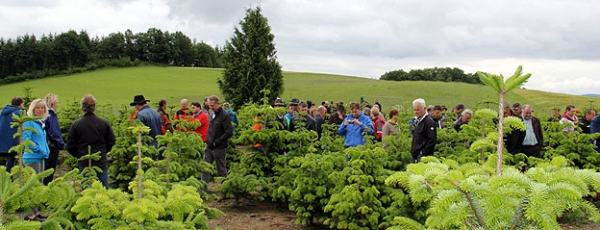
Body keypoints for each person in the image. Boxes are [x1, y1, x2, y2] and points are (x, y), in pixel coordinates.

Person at [66, 94, 116, 189]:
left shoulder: (76, 125)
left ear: (82, 108)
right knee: (103, 187)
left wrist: (80, 155)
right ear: (94, 107)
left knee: (86, 187)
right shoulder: (103, 123)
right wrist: (104, 151)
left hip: (84, 161)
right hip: (100, 160)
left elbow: (70, 146)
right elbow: (111, 140)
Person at [202, 95, 233, 186]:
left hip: (219, 147)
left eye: (212, 106)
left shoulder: (224, 115)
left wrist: (217, 142)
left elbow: (228, 132)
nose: (211, 107)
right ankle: (202, 191)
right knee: (205, 168)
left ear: (218, 104)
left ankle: (225, 189)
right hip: (209, 146)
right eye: (209, 105)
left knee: (221, 170)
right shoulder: (211, 114)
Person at [22, 99, 50, 174]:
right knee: (35, 183)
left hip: (40, 156)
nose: (40, 110)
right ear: (33, 109)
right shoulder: (29, 122)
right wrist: (38, 149)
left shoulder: (40, 123)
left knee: (40, 183)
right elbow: (26, 140)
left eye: (42, 108)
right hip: (32, 157)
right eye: (37, 108)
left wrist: (46, 150)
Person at [43, 93, 65, 185]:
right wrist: (61, 145)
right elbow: (54, 132)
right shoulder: (51, 115)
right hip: (51, 148)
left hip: (43, 147)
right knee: (49, 173)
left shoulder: (42, 115)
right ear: (53, 103)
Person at [0, 97, 24, 172]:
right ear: (20, 104)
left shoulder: (4, 112)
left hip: (4, 141)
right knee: (16, 162)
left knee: (9, 162)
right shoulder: (19, 113)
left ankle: (7, 177)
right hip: (15, 141)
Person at [410, 98, 437, 163]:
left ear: (424, 109)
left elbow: (432, 140)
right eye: (414, 110)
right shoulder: (418, 120)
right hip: (415, 154)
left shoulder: (429, 122)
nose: (416, 112)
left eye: (418, 110)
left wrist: (423, 152)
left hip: (422, 156)